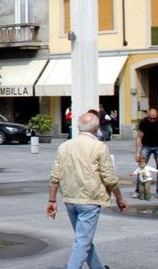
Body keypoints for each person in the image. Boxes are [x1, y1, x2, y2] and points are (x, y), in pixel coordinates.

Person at [47, 112, 126, 269]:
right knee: (83, 240)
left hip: (70, 198)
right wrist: (119, 197)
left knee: (82, 238)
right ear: (97, 128)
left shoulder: (64, 147)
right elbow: (109, 178)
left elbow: (55, 175)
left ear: (78, 126)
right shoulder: (99, 147)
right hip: (90, 200)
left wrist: (52, 200)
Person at [135, 108, 158, 200]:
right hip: (146, 146)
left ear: (157, 116)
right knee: (141, 168)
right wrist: (137, 152)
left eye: (154, 118)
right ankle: (138, 190)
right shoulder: (143, 122)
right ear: (148, 116)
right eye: (150, 118)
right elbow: (139, 137)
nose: (152, 120)